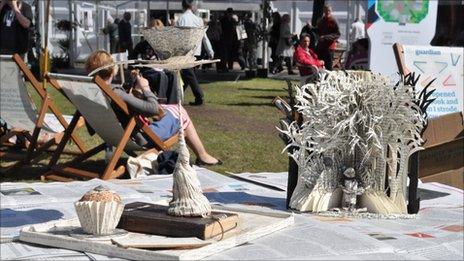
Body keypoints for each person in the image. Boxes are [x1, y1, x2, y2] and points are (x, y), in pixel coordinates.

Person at [85, 50, 222, 166]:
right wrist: (145, 88)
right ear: (112, 71)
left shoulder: (90, 92)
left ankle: (202, 155)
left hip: (116, 135)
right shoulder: (114, 92)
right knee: (181, 112)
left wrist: (133, 92)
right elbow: (153, 108)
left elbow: (91, 127)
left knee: (171, 108)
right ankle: (203, 156)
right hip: (140, 138)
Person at [176, 0, 213, 106]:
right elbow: (204, 37)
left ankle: (199, 95)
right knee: (188, 74)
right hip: (196, 52)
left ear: (182, 6)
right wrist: (210, 51)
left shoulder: (181, 20)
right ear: (191, 6)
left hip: (185, 51)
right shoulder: (199, 20)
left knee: (188, 74)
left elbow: (178, 37)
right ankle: (178, 96)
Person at [316, 5, 340, 71]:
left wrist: (325, 37)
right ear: (324, 11)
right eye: (326, 10)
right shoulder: (321, 20)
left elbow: (337, 34)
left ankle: (329, 80)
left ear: (331, 11)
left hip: (329, 48)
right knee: (319, 65)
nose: (327, 12)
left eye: (329, 10)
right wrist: (318, 36)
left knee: (328, 66)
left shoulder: (333, 21)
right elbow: (317, 31)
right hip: (320, 46)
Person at [219, 8, 236, 72]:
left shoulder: (233, 20)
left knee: (230, 53)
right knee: (224, 54)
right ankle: (224, 66)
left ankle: (230, 66)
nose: (230, 14)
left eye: (231, 13)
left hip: (231, 39)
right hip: (224, 38)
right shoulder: (223, 20)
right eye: (229, 13)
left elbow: (234, 29)